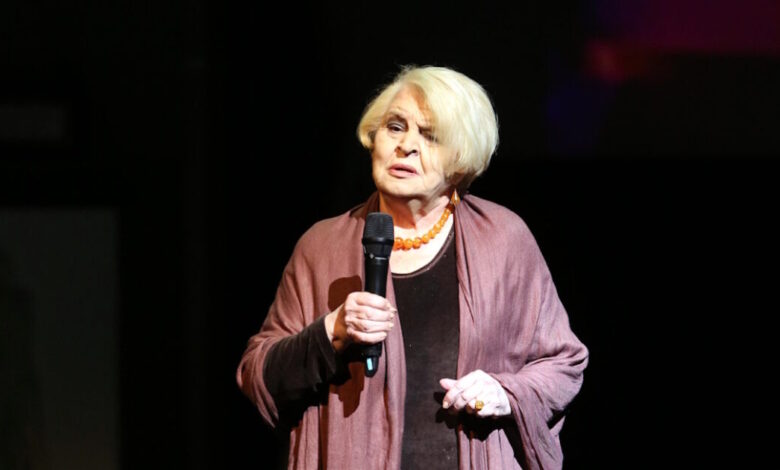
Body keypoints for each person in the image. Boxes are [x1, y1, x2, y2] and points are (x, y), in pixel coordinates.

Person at [236, 65, 588, 469]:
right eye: (395, 127)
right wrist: (331, 331)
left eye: (431, 136)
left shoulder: (504, 240)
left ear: (461, 159)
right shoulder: (320, 247)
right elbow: (258, 375)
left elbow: (564, 364)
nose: (406, 146)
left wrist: (504, 393)